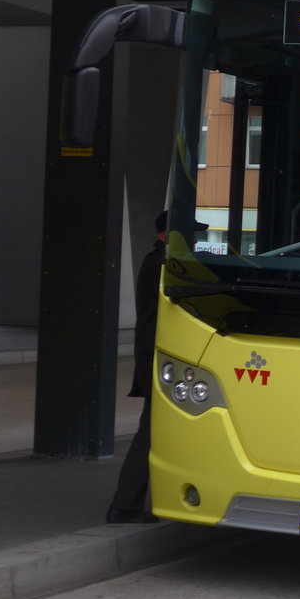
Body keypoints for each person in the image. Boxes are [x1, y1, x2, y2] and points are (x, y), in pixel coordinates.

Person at [108, 210, 205, 523]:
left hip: (162, 361)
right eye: (194, 233)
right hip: (159, 361)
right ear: (174, 234)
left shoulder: (161, 262)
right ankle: (124, 505)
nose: (198, 239)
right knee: (150, 433)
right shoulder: (163, 266)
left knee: (154, 432)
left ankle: (135, 502)